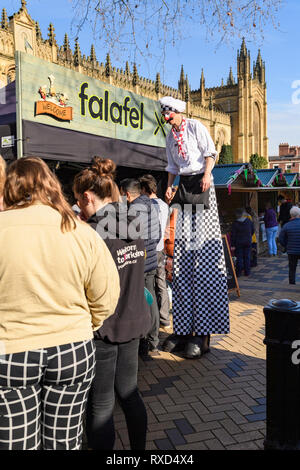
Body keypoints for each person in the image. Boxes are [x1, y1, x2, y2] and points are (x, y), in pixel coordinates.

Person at [0, 157, 120, 450]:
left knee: (16, 442)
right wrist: (83, 324)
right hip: (72, 347)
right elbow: (106, 297)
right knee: (65, 440)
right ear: (52, 186)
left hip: (11, 351)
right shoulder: (80, 232)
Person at [73, 158, 150, 450]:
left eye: (79, 201)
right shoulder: (134, 221)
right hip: (132, 318)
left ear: (88, 197)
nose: (78, 207)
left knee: (102, 403)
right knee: (129, 392)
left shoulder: (91, 234)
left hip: (102, 327)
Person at [159, 96, 230, 359]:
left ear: (178, 113)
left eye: (170, 114)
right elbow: (171, 165)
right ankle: (185, 328)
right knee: (184, 256)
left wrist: (208, 175)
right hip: (185, 185)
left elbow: (210, 152)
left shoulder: (196, 127)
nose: (167, 119)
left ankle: (203, 332)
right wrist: (169, 184)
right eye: (165, 115)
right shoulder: (169, 137)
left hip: (200, 184)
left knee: (201, 256)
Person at [120, 178, 161, 356]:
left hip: (141, 262)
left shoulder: (134, 210)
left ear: (127, 194)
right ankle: (154, 339)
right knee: (151, 299)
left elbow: (130, 237)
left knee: (144, 301)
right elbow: (158, 233)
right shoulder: (150, 205)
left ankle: (146, 341)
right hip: (152, 259)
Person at [139, 174, 170, 327]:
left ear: (144, 189)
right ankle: (164, 318)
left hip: (150, 249)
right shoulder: (165, 205)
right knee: (161, 284)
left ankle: (151, 319)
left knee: (148, 285)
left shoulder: (145, 206)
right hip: (161, 248)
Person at [279, 206, 300, 284]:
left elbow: (281, 238)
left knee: (292, 268)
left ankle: (292, 283)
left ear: (291, 215)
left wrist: (286, 245)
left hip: (291, 251)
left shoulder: (287, 225)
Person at [231, 208, 254, 277]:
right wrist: (248, 236)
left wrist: (232, 244)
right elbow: (252, 230)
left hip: (238, 242)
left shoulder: (235, 223)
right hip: (247, 241)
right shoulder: (249, 221)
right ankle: (247, 272)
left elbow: (233, 235)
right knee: (247, 257)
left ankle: (238, 273)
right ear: (243, 214)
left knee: (239, 258)